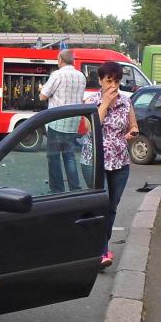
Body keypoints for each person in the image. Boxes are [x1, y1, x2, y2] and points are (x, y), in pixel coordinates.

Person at [82, 61, 139, 269]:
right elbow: (89, 128)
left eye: (116, 81)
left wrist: (132, 133)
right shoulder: (91, 101)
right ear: (100, 81)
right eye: (108, 81)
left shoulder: (126, 101)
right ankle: (102, 251)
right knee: (102, 206)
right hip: (95, 162)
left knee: (112, 208)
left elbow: (134, 126)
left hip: (120, 162)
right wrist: (105, 103)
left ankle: (97, 247)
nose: (113, 85)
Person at [39, 48, 87, 193]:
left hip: (56, 122)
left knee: (53, 157)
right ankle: (75, 188)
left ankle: (57, 190)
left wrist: (41, 88)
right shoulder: (81, 76)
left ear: (60, 60)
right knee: (69, 155)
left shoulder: (57, 75)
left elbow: (43, 96)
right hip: (73, 122)